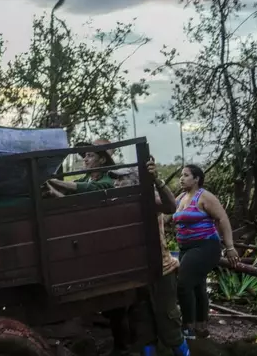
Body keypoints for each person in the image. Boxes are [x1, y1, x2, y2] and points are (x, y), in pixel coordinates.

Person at [109, 159, 191, 356]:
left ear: (135, 180)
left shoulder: (147, 199)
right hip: (138, 275)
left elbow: (171, 206)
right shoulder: (117, 203)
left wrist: (156, 180)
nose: (117, 183)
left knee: (169, 323)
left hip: (161, 270)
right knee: (144, 327)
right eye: (116, 180)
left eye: (122, 178)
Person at [173, 165, 240, 339]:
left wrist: (230, 247)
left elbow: (222, 219)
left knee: (183, 283)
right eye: (181, 175)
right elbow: (166, 213)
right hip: (185, 248)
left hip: (205, 247)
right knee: (197, 286)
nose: (181, 178)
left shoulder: (204, 197)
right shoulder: (180, 197)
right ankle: (201, 328)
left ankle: (187, 327)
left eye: (186, 175)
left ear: (196, 179)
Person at [45, 139, 115, 196]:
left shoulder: (108, 180)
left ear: (102, 160)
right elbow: (69, 188)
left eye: (90, 155)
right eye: (85, 156)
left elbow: (90, 187)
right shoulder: (87, 178)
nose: (85, 159)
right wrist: (51, 189)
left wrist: (52, 181)